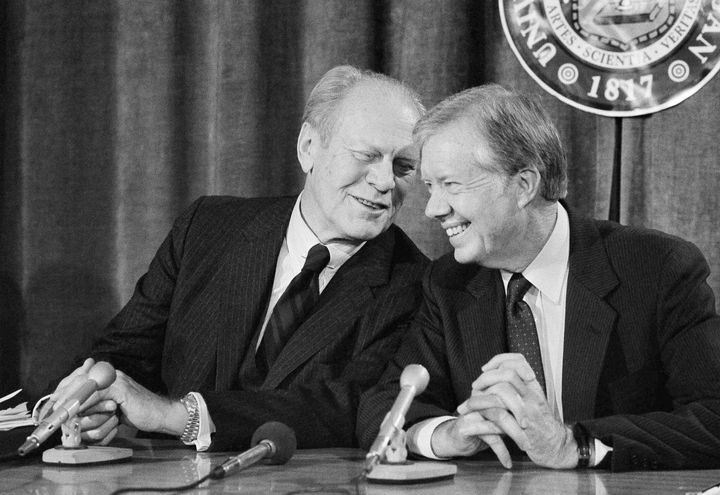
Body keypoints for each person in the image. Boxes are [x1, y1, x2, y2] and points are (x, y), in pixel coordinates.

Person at [47, 65, 429, 452]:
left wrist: (176, 416)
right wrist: (89, 401)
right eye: (367, 155)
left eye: (403, 166)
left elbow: (348, 408)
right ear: (308, 147)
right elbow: (123, 354)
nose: (384, 182)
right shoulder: (207, 228)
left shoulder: (416, 286)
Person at [357, 84, 720, 471]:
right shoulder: (449, 283)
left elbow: (713, 418)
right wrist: (446, 434)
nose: (433, 209)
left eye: (451, 185)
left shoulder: (655, 268)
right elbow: (385, 402)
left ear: (524, 186)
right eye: (430, 187)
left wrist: (573, 445)